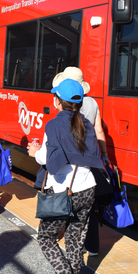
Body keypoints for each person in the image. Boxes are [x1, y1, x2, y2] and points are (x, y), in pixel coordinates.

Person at [27, 78, 105, 274]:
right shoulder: (86, 124)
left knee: (45, 237)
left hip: (63, 190)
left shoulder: (53, 125)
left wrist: (34, 152)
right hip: (87, 188)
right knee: (75, 238)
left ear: (57, 102)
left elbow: (47, 158)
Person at [52, 66, 109, 257]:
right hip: (91, 160)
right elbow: (99, 131)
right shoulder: (92, 103)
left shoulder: (64, 103)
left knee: (67, 201)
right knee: (89, 206)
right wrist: (105, 156)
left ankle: (61, 238)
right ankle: (91, 247)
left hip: (71, 162)